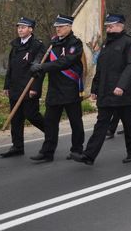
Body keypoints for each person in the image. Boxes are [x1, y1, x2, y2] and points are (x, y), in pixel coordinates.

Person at [72, 13, 131, 165]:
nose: (108, 29)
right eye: (107, 26)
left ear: (120, 25)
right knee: (101, 124)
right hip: (105, 91)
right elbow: (101, 68)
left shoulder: (130, 42)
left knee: (129, 123)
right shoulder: (105, 44)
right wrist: (95, 89)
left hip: (122, 92)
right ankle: (89, 155)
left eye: (111, 26)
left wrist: (121, 86)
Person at [30, 14, 84, 162]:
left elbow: (65, 62)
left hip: (70, 89)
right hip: (54, 90)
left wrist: (43, 66)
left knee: (75, 122)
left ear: (69, 27)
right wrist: (36, 63)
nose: (58, 29)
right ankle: (47, 152)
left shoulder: (75, 43)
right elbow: (42, 57)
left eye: (61, 26)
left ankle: (77, 150)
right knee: (50, 123)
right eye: (56, 27)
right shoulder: (53, 43)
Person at [0, 17, 46, 158]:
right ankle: (17, 146)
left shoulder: (38, 46)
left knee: (32, 115)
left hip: (28, 88)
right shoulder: (15, 45)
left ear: (31, 29)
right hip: (15, 87)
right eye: (18, 27)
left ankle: (51, 133)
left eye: (23, 27)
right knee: (16, 118)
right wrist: (6, 86)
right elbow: (11, 68)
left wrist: (35, 88)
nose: (20, 29)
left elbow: (40, 69)